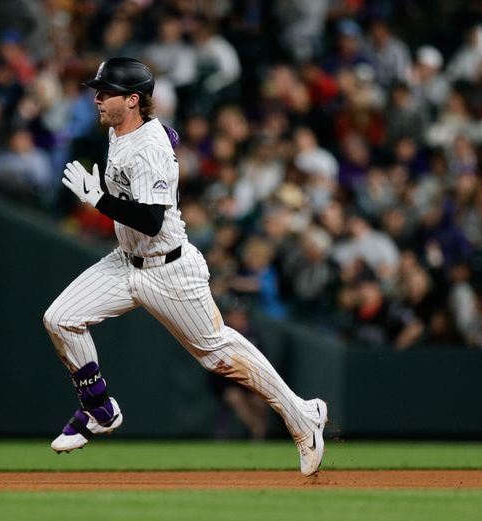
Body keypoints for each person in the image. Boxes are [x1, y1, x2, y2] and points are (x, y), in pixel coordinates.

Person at [43, 57, 328, 476]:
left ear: (134, 100)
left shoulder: (149, 145)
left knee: (219, 355)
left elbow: (153, 218)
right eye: (97, 91)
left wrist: (98, 200)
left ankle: (302, 416)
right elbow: (167, 134)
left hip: (168, 268)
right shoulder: (126, 130)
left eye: (106, 92)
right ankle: (99, 408)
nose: (97, 98)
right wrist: (166, 141)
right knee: (60, 318)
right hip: (126, 261)